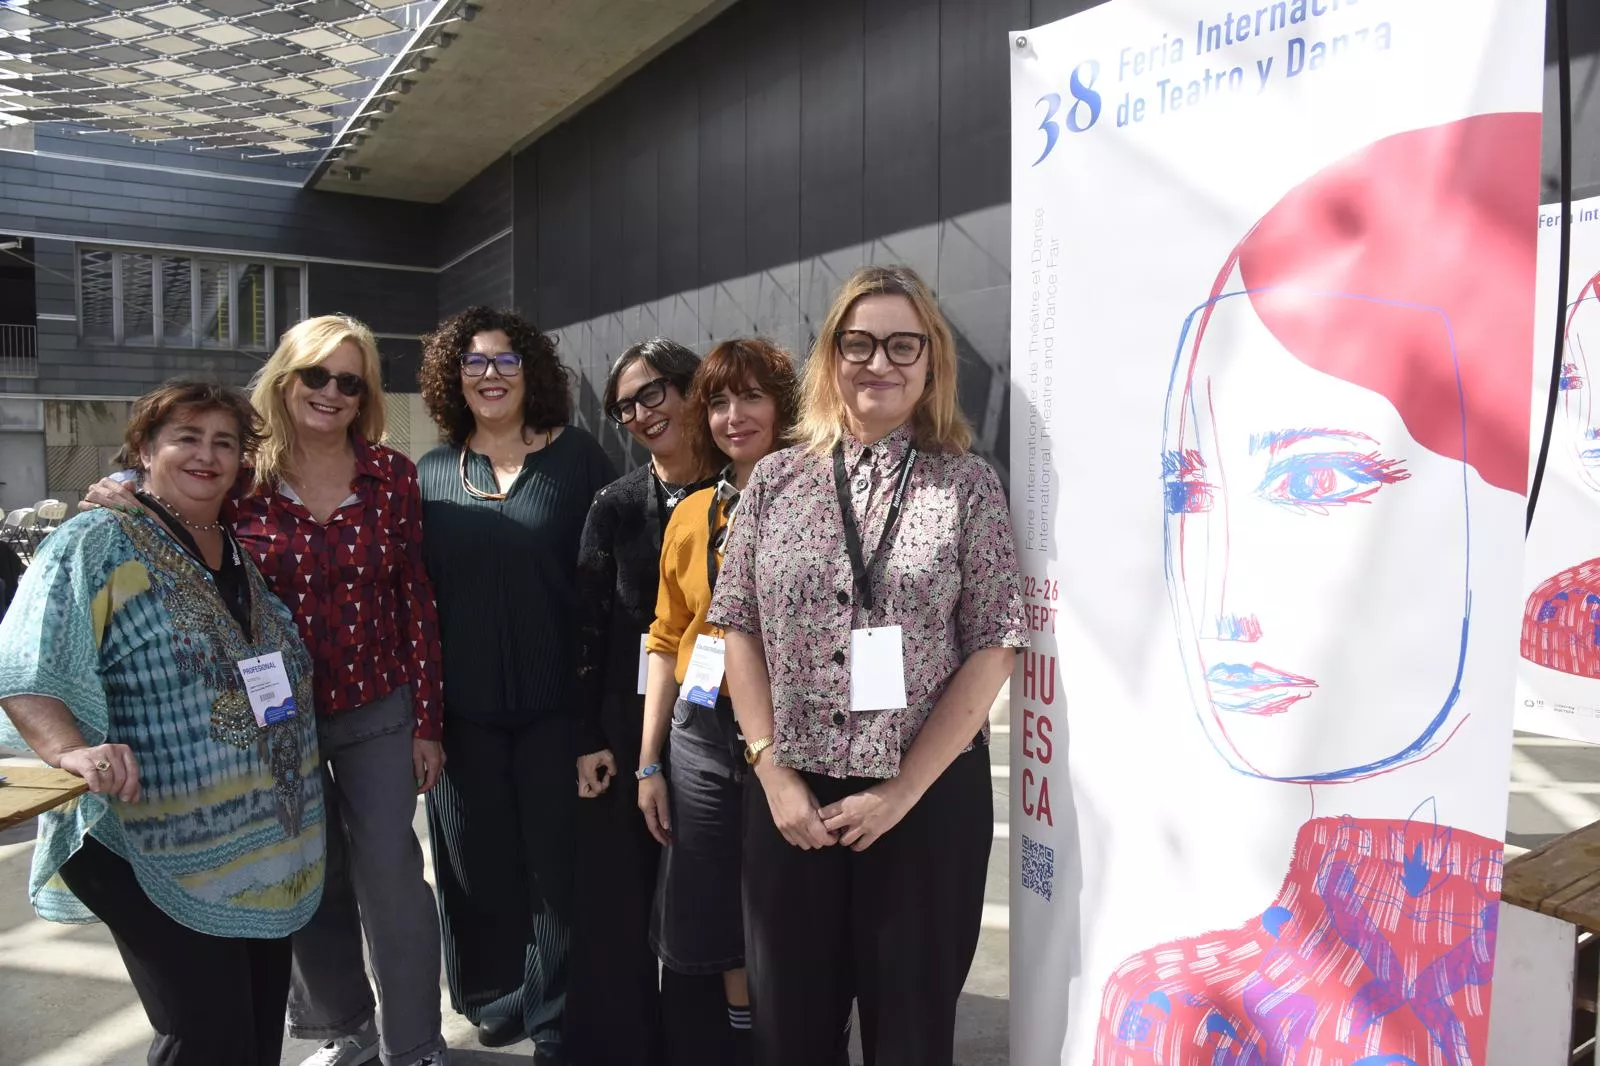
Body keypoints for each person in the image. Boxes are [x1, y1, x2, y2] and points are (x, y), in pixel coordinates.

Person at [1096, 115, 1534, 1066]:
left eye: (1314, 480)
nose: (1220, 597)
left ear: (1494, 493)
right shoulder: (1177, 1012)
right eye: (1188, 489)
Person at [84, 315, 448, 1066]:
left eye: (350, 381)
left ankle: (415, 1046)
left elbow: (415, 596)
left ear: (365, 395)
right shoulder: (240, 477)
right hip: (271, 720)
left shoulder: (392, 476)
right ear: (286, 378)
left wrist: (427, 721)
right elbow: (166, 506)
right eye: (316, 374)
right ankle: (345, 1029)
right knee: (306, 880)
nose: (331, 392)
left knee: (393, 880)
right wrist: (121, 485)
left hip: (377, 704)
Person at [708, 266, 1028, 1066]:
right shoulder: (777, 480)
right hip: (793, 808)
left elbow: (994, 643)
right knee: (792, 1036)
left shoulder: (966, 486)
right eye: (859, 343)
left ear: (931, 363)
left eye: (901, 345)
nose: (878, 363)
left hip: (921, 805)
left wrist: (900, 792)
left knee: (911, 1038)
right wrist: (773, 773)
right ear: (832, 355)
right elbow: (736, 627)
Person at [0, 379, 323, 1066]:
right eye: (186, 437)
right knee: (206, 1033)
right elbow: (27, 663)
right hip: (146, 839)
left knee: (259, 1029)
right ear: (145, 449)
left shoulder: (235, 548)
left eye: (224, 442)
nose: (206, 455)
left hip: (259, 848)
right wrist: (70, 752)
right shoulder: (97, 540)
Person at [416, 305, 616, 1065]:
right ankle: (493, 998)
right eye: (474, 362)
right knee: (472, 862)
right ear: (452, 378)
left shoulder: (577, 459)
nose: (490, 375)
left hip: (554, 709)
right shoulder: (432, 472)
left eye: (506, 361)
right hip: (460, 714)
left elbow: (609, 586)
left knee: (556, 866)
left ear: (530, 374)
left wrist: (599, 719)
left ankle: (556, 1009)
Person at [640, 338, 799, 1065]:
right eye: (720, 402)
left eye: (752, 398)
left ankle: (793, 1035)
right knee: (715, 901)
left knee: (787, 899)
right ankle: (743, 1038)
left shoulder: (818, 498)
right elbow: (668, 639)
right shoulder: (691, 514)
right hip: (702, 730)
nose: (734, 417)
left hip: (793, 730)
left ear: (784, 406)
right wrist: (650, 763)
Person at [569, 338, 720, 1066]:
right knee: (622, 901)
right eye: (625, 405)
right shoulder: (616, 506)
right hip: (632, 728)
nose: (639, 413)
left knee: (705, 903)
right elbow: (588, 632)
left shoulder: (747, 486)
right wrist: (591, 740)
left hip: (727, 730)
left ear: (695, 387)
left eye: (653, 392)